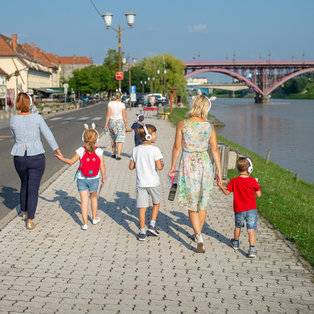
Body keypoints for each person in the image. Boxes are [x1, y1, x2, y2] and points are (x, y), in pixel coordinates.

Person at [168, 95, 222, 253]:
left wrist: (172, 166)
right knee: (202, 202)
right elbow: (215, 149)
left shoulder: (182, 124)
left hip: (188, 165)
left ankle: (198, 236)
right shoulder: (209, 127)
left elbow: (177, 147)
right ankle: (198, 233)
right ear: (206, 108)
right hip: (205, 165)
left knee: (192, 202)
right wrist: (218, 170)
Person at [10, 92, 62, 230]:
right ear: (30, 103)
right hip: (36, 156)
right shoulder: (37, 118)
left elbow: (14, 137)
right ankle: (30, 221)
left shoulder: (13, 119)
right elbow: (48, 135)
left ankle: (24, 212)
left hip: (19, 156)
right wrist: (56, 149)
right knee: (33, 189)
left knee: (24, 184)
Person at [56, 124, 106, 230]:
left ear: (83, 138)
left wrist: (61, 158)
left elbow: (70, 162)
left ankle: (85, 224)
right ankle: (94, 218)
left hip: (81, 178)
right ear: (96, 139)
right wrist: (103, 177)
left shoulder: (80, 150)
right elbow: (102, 166)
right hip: (94, 178)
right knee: (94, 198)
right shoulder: (99, 151)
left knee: (84, 201)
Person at [218, 156, 261, 258]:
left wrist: (220, 186)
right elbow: (259, 195)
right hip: (251, 210)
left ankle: (236, 243)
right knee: (251, 230)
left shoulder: (234, 181)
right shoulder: (253, 181)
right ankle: (252, 250)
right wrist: (256, 187)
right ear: (250, 169)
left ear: (237, 169)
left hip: (239, 209)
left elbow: (227, 192)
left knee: (238, 226)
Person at [129, 124, 164, 241]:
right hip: (153, 183)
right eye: (154, 134)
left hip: (141, 184)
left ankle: (142, 231)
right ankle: (152, 225)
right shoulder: (155, 150)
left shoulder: (135, 149)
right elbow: (159, 167)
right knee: (156, 203)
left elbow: (131, 166)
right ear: (149, 136)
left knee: (142, 208)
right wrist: (162, 163)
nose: (156, 136)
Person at [104, 92, 128, 160]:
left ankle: (113, 154)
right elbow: (124, 116)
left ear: (114, 96)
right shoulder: (122, 105)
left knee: (113, 139)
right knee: (120, 140)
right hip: (120, 123)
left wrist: (106, 124)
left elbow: (108, 114)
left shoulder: (110, 103)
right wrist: (126, 125)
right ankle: (118, 155)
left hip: (112, 122)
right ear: (120, 97)